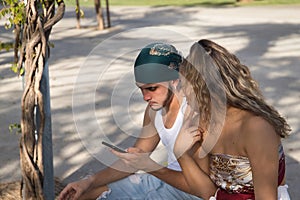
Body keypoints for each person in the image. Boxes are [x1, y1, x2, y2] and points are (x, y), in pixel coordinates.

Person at [58, 43, 206, 200]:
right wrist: (88, 182)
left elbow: (202, 189)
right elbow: (134, 161)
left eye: (152, 88)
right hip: (166, 184)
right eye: (141, 89)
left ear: (174, 80)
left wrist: (149, 166)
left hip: (193, 193)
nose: (145, 97)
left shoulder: (193, 112)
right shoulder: (153, 111)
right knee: (84, 194)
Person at [173, 39, 291, 200]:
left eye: (183, 84)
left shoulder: (256, 128)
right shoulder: (202, 122)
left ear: (199, 86)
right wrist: (181, 154)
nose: (181, 92)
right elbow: (207, 192)